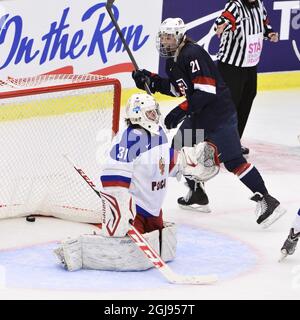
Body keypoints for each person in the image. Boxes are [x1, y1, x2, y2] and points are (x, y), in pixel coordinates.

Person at [132, 17, 285, 228]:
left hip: (219, 116)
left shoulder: (192, 54)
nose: (165, 41)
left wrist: (180, 110)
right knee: (178, 149)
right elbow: (179, 89)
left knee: (234, 162)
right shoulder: (173, 60)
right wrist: (152, 81)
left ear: (178, 37)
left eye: (168, 37)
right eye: (163, 37)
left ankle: (268, 200)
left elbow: (206, 92)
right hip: (199, 117)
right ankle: (196, 193)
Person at [54, 93, 220, 271]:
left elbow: (163, 163)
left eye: (155, 111)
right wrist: (121, 210)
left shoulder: (159, 132)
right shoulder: (129, 140)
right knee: (125, 253)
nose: (155, 116)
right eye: (150, 113)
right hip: (135, 210)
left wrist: (186, 163)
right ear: (137, 115)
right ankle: (75, 250)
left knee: (163, 244)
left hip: (154, 208)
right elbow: (113, 179)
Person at [215, 0, 279, 155]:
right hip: (231, 66)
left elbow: (264, 24)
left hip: (250, 64)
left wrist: (269, 33)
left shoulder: (259, 5)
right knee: (229, 105)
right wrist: (221, 26)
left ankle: (233, 142)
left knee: (246, 99)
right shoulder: (235, 5)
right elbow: (223, 19)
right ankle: (218, 145)